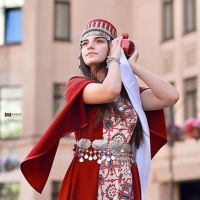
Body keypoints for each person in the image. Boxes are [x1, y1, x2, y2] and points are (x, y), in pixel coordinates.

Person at [20, 19, 179, 200]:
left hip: (125, 175)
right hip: (89, 171)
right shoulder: (77, 84)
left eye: (99, 41)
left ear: (112, 47)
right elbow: (110, 91)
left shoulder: (130, 94)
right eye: (84, 43)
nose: (90, 46)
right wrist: (115, 59)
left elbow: (170, 96)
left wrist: (132, 65)